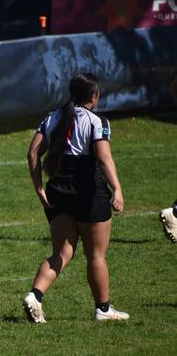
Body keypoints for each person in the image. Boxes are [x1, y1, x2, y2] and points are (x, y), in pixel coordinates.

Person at [23, 73, 129, 323]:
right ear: (94, 95)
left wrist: (39, 187)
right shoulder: (96, 121)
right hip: (89, 193)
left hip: (57, 192)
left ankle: (35, 296)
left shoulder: (53, 117)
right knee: (96, 255)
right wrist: (118, 189)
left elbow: (32, 153)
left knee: (62, 253)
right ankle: (103, 309)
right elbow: (103, 158)